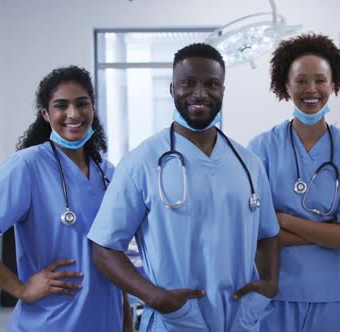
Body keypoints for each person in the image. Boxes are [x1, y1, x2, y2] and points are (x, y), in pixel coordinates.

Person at [87, 43, 280, 332]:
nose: (200, 93)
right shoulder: (142, 162)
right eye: (188, 83)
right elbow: (104, 248)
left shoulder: (248, 163)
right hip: (176, 321)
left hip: (240, 319)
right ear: (171, 89)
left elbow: (268, 234)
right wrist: (154, 297)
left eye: (211, 84)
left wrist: (269, 283)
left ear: (223, 91)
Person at [0, 66, 130, 331]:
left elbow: (114, 251)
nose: (73, 114)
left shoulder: (106, 170)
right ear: (45, 114)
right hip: (51, 322)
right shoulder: (28, 165)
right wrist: (19, 288)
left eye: (82, 103)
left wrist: (126, 318)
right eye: (61, 105)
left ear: (93, 108)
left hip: (106, 319)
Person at [247, 33, 340, 331]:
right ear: (285, 85)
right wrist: (330, 231)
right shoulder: (261, 149)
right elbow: (256, 232)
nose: (311, 89)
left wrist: (282, 220)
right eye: (301, 80)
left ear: (334, 84)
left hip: (332, 292)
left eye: (320, 80)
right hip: (274, 288)